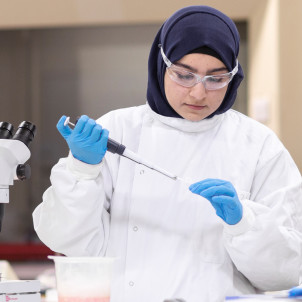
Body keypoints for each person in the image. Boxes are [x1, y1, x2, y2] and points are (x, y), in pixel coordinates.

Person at [33, 5, 302, 302]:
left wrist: (245, 223)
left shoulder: (259, 145)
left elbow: (284, 273)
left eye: (216, 78)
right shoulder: (117, 130)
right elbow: (66, 241)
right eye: (184, 75)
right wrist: (82, 171)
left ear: (234, 76)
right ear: (161, 65)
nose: (198, 93)